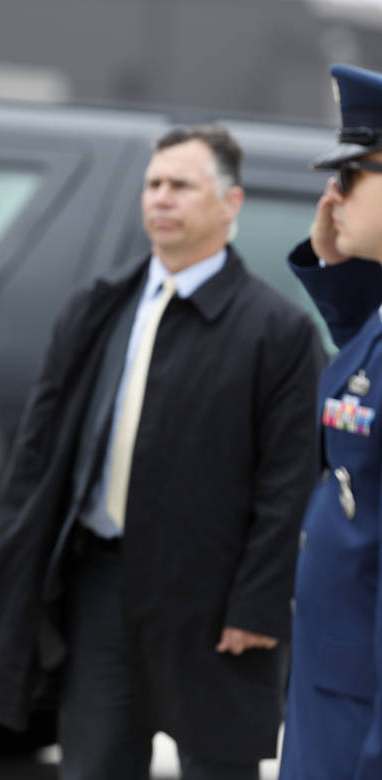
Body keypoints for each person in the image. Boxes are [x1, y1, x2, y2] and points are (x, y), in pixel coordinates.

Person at [0, 125, 324, 779]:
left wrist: (258, 604)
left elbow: (288, 479)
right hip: (101, 583)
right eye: (154, 184)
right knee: (95, 763)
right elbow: (39, 454)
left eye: (181, 185)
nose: (161, 198)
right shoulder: (99, 307)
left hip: (215, 597)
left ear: (230, 203)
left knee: (218, 766)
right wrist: (18, 568)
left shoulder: (279, 331)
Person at [281, 63, 382, 780]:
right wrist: (333, 260)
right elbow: (363, 368)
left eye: (352, 177)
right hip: (337, 697)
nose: (332, 195)